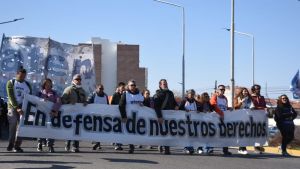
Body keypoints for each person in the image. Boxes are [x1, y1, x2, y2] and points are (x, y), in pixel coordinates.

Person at [6, 66, 32, 152]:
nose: (22, 78)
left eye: (24, 76)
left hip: (23, 107)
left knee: (21, 127)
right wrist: (17, 108)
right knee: (13, 125)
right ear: (17, 74)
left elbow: (30, 97)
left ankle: (17, 145)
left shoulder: (27, 85)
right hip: (13, 107)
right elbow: (11, 96)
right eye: (21, 76)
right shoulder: (11, 82)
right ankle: (11, 144)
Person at [61, 74, 87, 153]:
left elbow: (85, 100)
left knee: (77, 129)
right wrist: (69, 102)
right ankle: (68, 143)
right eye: (77, 79)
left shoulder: (82, 90)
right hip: (70, 113)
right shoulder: (68, 89)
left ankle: (75, 146)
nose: (78, 81)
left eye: (80, 79)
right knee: (70, 129)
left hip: (79, 114)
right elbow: (62, 100)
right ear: (73, 80)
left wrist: (86, 102)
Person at [153, 79, 179, 155]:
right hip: (162, 115)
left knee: (168, 132)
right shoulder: (158, 94)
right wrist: (159, 116)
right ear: (160, 85)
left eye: (166, 83)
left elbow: (173, 102)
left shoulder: (170, 93)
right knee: (163, 131)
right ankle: (163, 146)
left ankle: (166, 147)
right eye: (164, 84)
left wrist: (176, 106)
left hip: (170, 115)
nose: (165, 85)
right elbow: (156, 107)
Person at [119, 79, 144, 154]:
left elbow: (145, 103)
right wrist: (124, 116)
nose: (133, 86)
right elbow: (121, 105)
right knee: (129, 131)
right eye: (131, 85)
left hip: (139, 117)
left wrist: (143, 104)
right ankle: (131, 146)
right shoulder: (125, 94)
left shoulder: (139, 93)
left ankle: (136, 144)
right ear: (128, 86)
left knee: (137, 131)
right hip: (129, 117)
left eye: (134, 85)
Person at [36, 78, 61, 153]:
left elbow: (59, 101)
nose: (49, 85)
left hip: (51, 115)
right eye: (47, 84)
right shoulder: (39, 93)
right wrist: (42, 100)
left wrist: (54, 110)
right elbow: (35, 101)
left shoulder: (54, 93)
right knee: (40, 129)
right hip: (41, 115)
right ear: (44, 85)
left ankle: (50, 145)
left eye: (50, 83)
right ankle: (40, 143)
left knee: (51, 130)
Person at [210, 84, 232, 155]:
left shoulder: (225, 98)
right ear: (217, 90)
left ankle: (225, 150)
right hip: (216, 118)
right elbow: (213, 105)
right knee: (214, 133)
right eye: (221, 89)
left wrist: (229, 108)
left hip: (224, 118)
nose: (222, 91)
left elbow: (224, 107)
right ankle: (210, 148)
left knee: (225, 134)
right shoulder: (214, 96)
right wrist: (221, 113)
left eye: (223, 89)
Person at [87, 84, 109, 150]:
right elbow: (88, 101)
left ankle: (98, 143)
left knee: (100, 130)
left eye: (102, 89)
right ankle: (97, 142)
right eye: (100, 88)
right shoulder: (93, 95)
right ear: (96, 89)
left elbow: (107, 105)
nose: (101, 90)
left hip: (102, 116)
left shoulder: (105, 96)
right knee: (95, 129)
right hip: (94, 116)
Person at [179, 89, 201, 155]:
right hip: (185, 121)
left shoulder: (196, 102)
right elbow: (179, 109)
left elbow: (200, 109)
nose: (191, 95)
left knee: (192, 134)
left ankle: (191, 147)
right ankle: (186, 147)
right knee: (186, 135)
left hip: (193, 121)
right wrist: (185, 109)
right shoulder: (184, 101)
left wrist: (199, 111)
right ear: (187, 94)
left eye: (192, 94)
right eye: (190, 93)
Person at [234, 87, 254, 155]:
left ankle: (241, 148)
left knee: (246, 133)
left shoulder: (250, 99)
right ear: (241, 92)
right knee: (241, 133)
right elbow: (235, 107)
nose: (245, 92)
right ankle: (243, 148)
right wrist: (241, 102)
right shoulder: (238, 98)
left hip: (247, 118)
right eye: (244, 91)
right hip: (240, 118)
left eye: (246, 91)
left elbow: (252, 107)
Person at [251, 84, 267, 154]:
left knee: (259, 133)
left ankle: (259, 147)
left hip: (261, 117)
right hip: (253, 117)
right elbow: (253, 107)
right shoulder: (251, 97)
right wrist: (261, 108)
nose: (258, 90)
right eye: (257, 89)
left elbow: (264, 106)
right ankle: (256, 148)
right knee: (255, 132)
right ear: (253, 90)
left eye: (259, 88)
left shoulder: (262, 97)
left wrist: (266, 109)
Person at [111, 82, 126, 151]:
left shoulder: (126, 95)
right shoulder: (115, 95)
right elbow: (111, 104)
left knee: (122, 129)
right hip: (116, 115)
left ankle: (119, 143)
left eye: (124, 87)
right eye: (122, 87)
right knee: (117, 129)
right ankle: (117, 144)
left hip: (123, 114)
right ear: (119, 88)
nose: (123, 89)